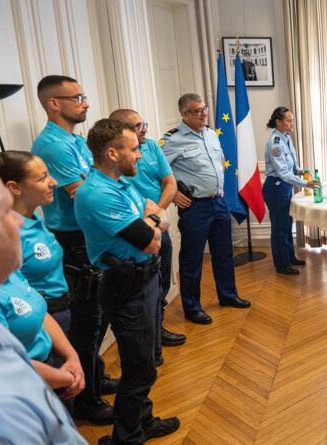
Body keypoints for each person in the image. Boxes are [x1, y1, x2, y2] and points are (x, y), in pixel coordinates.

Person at [75, 119, 180, 444]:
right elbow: (150, 239)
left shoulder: (122, 183)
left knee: (144, 362)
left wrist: (154, 221)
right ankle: (126, 438)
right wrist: (156, 221)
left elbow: (153, 218)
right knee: (138, 368)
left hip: (145, 280)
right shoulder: (97, 194)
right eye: (133, 149)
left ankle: (142, 422)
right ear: (111, 152)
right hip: (126, 287)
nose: (139, 154)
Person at [30, 74, 115, 424]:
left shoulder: (75, 140)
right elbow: (85, 193)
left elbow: (102, 181)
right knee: (86, 323)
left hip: (88, 238)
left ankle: (95, 378)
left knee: (97, 318)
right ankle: (87, 401)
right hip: (73, 242)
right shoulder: (53, 145)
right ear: (54, 104)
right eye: (77, 97)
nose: (86, 102)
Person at [0, 173, 87, 444]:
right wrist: (64, 376)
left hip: (53, 370)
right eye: (3, 213)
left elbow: (40, 309)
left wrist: (71, 358)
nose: (17, 221)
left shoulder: (9, 274)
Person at [160, 93, 251, 324]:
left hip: (217, 202)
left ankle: (228, 295)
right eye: (198, 110)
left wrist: (218, 187)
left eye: (205, 109)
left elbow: (219, 161)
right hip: (195, 206)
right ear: (185, 114)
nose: (204, 113)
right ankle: (192, 307)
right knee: (192, 258)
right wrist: (173, 195)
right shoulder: (172, 140)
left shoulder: (211, 134)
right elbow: (154, 171)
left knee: (224, 253)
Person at [110, 109, 187, 365]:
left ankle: (158, 329)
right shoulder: (114, 161)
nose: (144, 129)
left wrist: (158, 212)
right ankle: (148, 341)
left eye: (144, 124)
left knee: (160, 281)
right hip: (136, 229)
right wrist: (152, 219)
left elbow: (170, 183)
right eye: (137, 126)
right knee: (142, 289)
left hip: (158, 224)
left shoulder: (153, 146)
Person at [0, 151, 72, 335]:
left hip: (62, 311)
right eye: (42, 178)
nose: (54, 182)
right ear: (14, 187)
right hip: (40, 321)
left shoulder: (36, 218)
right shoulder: (8, 236)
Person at [262, 106, 319, 275]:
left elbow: (291, 165)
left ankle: (289, 256)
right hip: (276, 187)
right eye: (289, 120)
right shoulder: (275, 143)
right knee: (279, 226)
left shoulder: (286, 138)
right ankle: (281, 264)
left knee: (287, 224)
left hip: (285, 186)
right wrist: (305, 183)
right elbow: (283, 173)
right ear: (278, 122)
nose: (292, 123)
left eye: (292, 120)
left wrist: (300, 171)